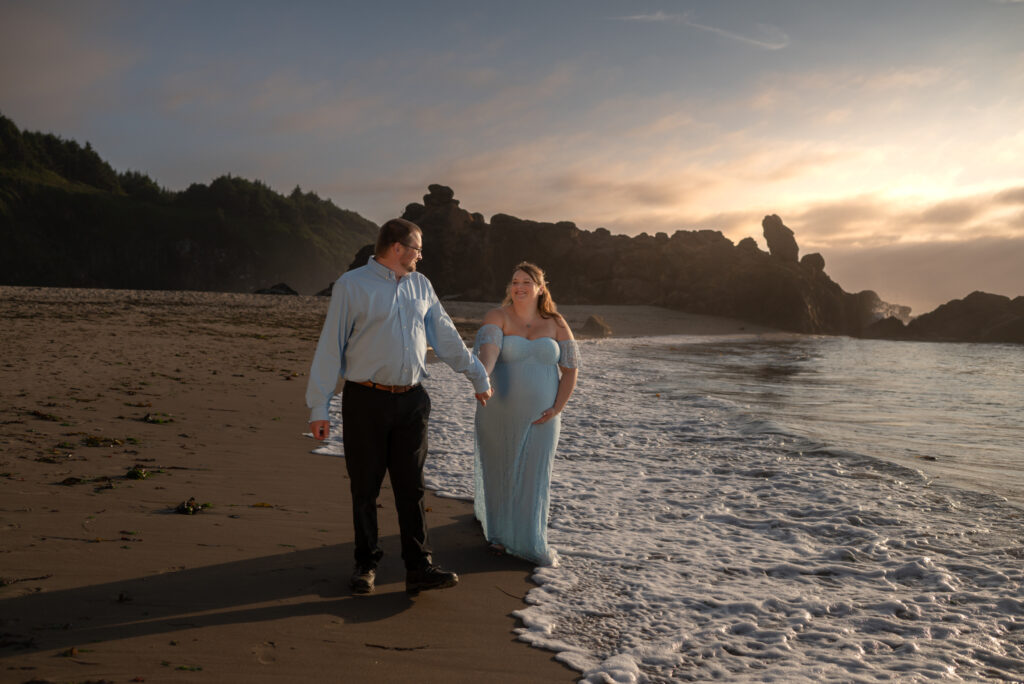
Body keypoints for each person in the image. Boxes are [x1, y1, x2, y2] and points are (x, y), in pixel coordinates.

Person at [306, 218, 493, 595]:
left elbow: (446, 337)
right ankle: (366, 564)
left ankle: (419, 567)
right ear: (396, 247)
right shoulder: (352, 285)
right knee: (365, 488)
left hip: (412, 400)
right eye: (417, 248)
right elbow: (330, 348)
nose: (420, 255)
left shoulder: (421, 285)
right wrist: (319, 407)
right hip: (365, 400)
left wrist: (477, 376)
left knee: (412, 488)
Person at [472, 262, 580, 566]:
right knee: (501, 472)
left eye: (527, 282)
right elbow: (488, 353)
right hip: (498, 409)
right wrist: (483, 377)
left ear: (540, 288)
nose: (519, 287)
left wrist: (558, 408)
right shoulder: (498, 316)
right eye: (515, 281)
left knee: (535, 476)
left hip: (544, 415)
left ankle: (530, 539)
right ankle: (500, 537)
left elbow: (571, 370)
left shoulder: (556, 322)